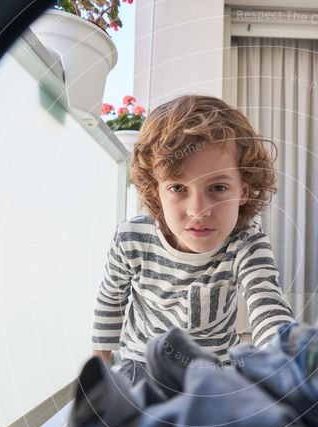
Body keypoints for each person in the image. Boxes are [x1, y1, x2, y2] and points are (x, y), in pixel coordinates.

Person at [91, 95, 295, 383]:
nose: (198, 210)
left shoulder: (246, 243)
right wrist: (99, 366)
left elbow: (267, 301)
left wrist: (284, 355)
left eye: (218, 187)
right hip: (143, 365)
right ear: (155, 192)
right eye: (177, 188)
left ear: (244, 191)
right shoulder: (132, 239)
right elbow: (111, 299)